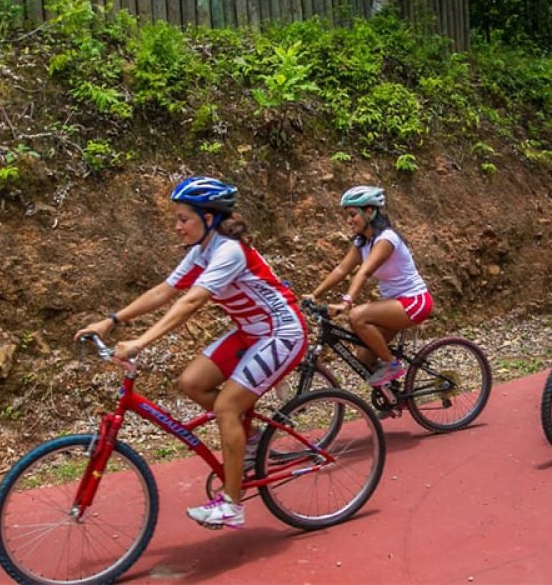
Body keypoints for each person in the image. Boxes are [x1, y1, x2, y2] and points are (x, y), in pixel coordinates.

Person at [74, 176, 307, 529]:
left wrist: (141, 342)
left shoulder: (228, 249)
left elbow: (192, 302)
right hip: (249, 331)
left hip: (281, 331)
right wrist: (111, 321)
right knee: (192, 382)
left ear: (209, 218)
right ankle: (251, 440)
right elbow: (164, 291)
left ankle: (232, 504)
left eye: (184, 218)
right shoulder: (202, 249)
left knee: (228, 405)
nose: (177, 226)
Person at [306, 185, 433, 401]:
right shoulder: (362, 242)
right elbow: (341, 269)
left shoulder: (387, 240)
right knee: (364, 356)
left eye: (353, 214)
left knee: (357, 316)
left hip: (414, 301)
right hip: (393, 304)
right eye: (348, 215)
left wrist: (346, 302)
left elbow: (364, 272)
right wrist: (314, 295)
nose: (349, 221)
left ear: (370, 212)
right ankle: (394, 395)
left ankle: (393, 365)